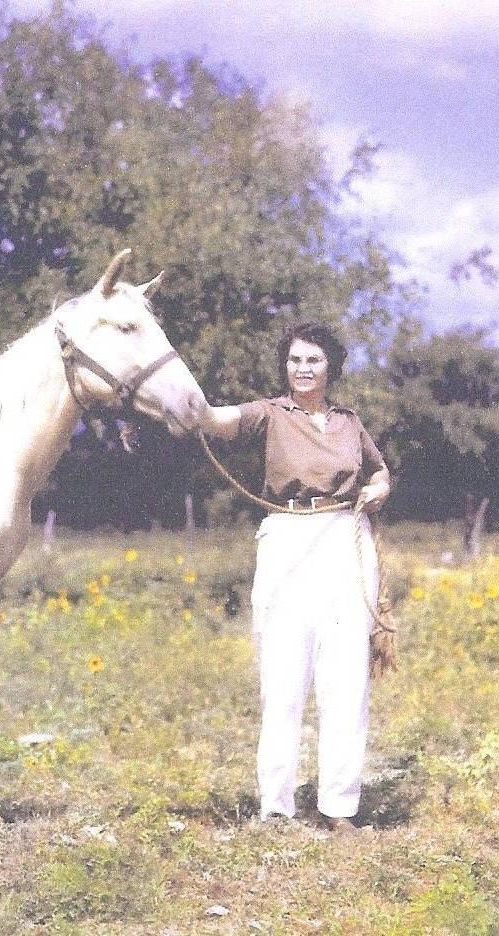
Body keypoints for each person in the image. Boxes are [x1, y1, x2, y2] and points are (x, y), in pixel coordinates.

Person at [199, 320, 390, 834]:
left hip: (346, 538)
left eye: (314, 360)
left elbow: (378, 469)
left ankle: (340, 808)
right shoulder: (269, 413)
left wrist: (379, 488)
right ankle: (276, 809)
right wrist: (179, 398)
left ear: (331, 366)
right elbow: (218, 421)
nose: (303, 369)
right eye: (295, 360)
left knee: (346, 677)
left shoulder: (350, 421)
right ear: (285, 367)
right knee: (283, 679)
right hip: (288, 536)